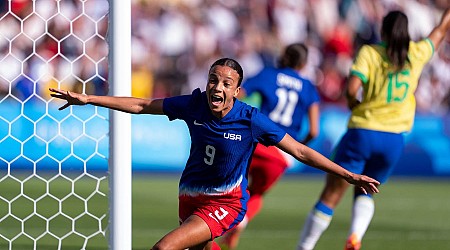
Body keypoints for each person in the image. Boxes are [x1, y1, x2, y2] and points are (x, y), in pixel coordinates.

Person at [49, 58, 380, 250]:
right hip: (189, 196)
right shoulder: (194, 104)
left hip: (224, 203)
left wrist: (349, 175)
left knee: (164, 248)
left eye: (226, 83)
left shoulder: (250, 120)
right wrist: (89, 99)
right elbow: (141, 105)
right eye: (213, 80)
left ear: (237, 91)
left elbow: (301, 151)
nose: (217, 88)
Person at [297, 8, 450, 250]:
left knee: (331, 194)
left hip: (364, 131)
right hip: (394, 139)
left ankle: (304, 247)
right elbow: (440, 31)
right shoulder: (417, 53)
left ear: (383, 30)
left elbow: (351, 88)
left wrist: (351, 103)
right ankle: (355, 237)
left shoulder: (370, 53)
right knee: (366, 189)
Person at [219, 43, 320, 249]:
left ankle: (214, 226)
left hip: (256, 143)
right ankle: (242, 220)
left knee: (234, 188)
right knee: (257, 194)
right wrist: (295, 147)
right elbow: (313, 131)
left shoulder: (269, 74)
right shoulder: (308, 86)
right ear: (303, 63)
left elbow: (240, 92)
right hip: (281, 153)